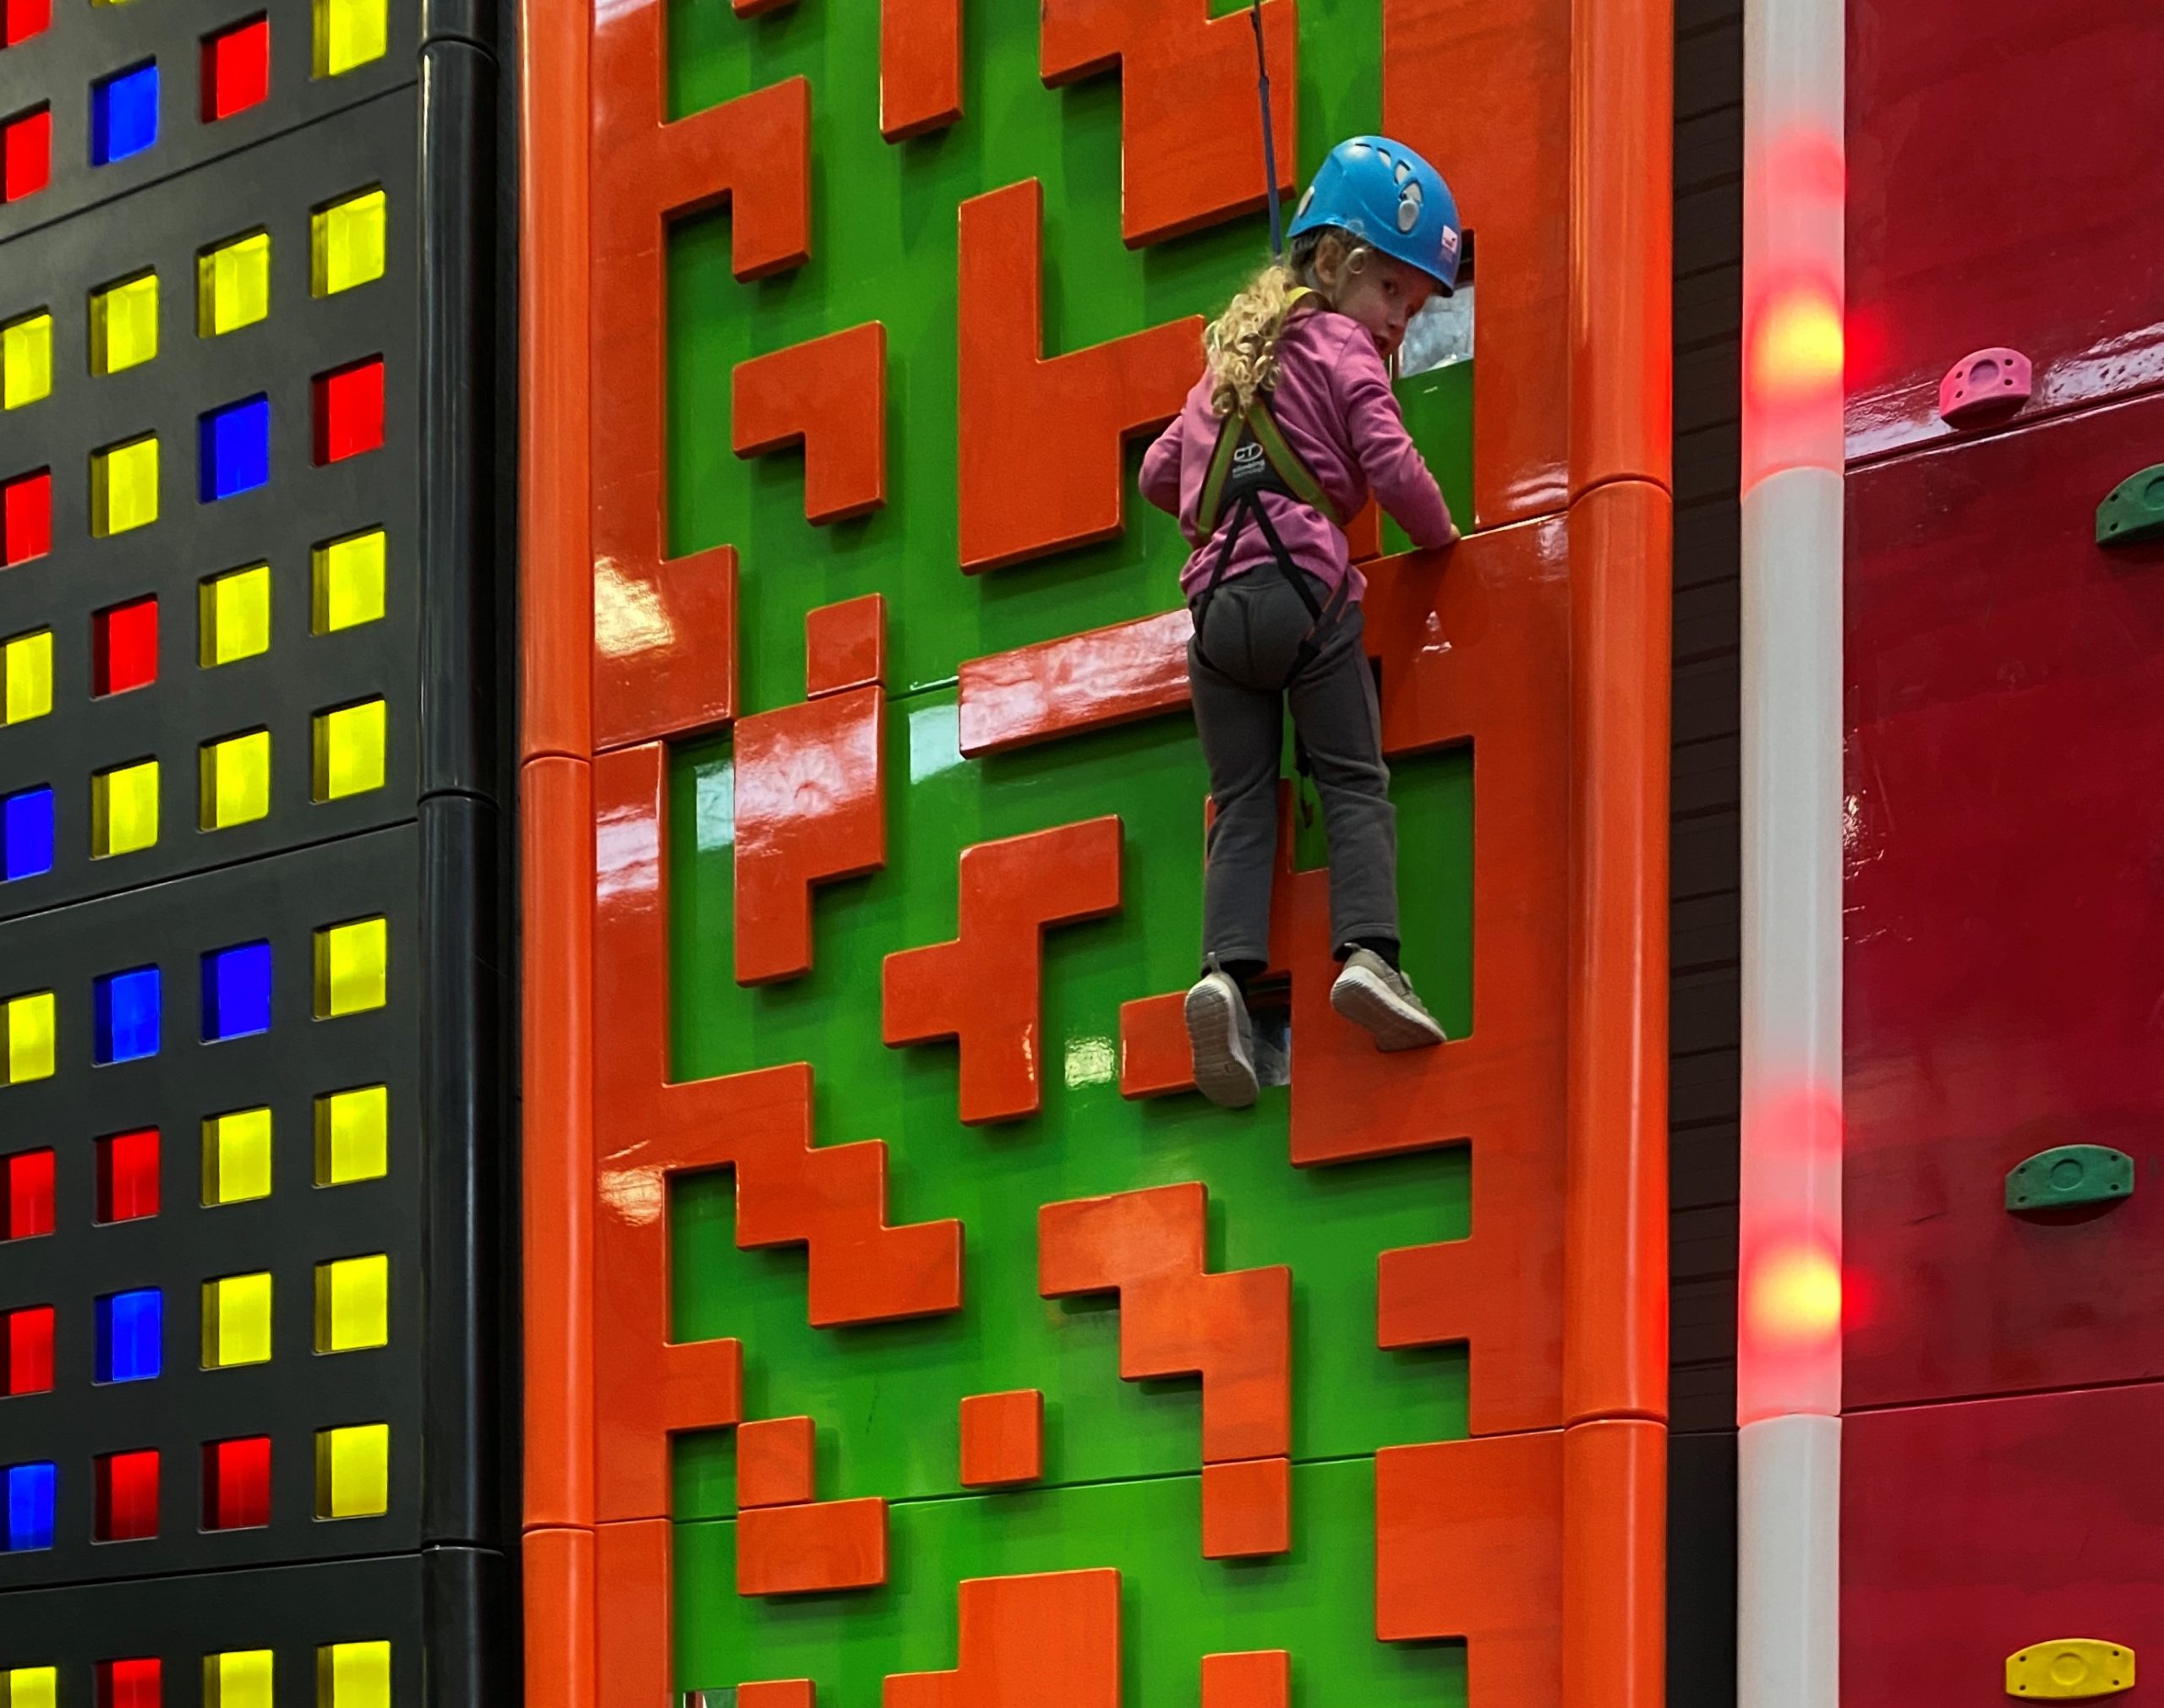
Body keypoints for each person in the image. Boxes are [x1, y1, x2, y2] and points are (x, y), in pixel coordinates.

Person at [1139, 135, 1464, 1110]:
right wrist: (1441, 537)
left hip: (1213, 620)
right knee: (1352, 778)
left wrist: (1218, 486)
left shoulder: (1221, 372)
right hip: (1305, 597)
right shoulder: (1339, 347)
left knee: (1242, 804)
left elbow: (1160, 474)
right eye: (1394, 297)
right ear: (1339, 265)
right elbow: (1392, 461)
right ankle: (1369, 954)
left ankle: (1223, 979)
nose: (1398, 324)